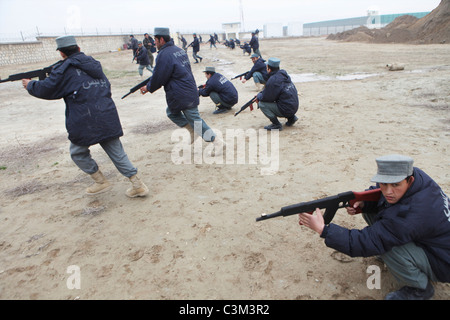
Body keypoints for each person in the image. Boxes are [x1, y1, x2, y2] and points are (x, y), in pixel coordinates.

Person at [298, 155, 450, 300]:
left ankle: (419, 289)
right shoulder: (418, 178)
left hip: (444, 262)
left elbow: (367, 242)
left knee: (386, 246)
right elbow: (378, 193)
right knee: (375, 215)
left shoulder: (412, 214)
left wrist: (323, 230)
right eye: (384, 183)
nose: (388, 191)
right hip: (437, 244)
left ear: (409, 180)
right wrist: (365, 203)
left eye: (395, 184)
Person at [22, 35, 149, 198]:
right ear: (79, 49)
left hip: (84, 119)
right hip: (106, 113)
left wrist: (30, 85)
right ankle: (137, 184)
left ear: (61, 53)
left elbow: (47, 89)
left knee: (77, 152)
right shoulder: (94, 65)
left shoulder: (63, 69)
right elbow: (107, 87)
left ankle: (101, 181)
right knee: (117, 152)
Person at [139, 28, 223, 153]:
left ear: (161, 39)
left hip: (182, 92)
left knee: (195, 119)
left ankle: (216, 141)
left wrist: (148, 87)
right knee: (172, 112)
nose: (154, 43)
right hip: (185, 90)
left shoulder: (163, 54)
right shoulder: (179, 50)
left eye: (156, 40)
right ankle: (192, 130)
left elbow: (159, 77)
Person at [256, 58, 299, 130]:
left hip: (286, 109)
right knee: (284, 98)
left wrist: (258, 96)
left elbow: (266, 97)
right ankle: (292, 118)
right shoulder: (284, 75)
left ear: (269, 69)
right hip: (294, 107)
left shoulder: (273, 79)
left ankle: (276, 124)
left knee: (262, 104)